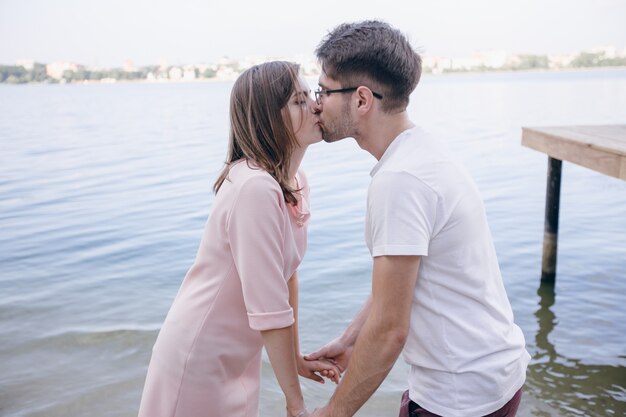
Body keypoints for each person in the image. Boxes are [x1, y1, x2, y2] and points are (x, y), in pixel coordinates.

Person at [305, 21, 531, 417]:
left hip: (461, 395)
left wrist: (333, 412)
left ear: (361, 100)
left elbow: (391, 330)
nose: (316, 103)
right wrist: (351, 339)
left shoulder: (399, 181)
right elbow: (404, 279)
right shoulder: (419, 151)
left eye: (324, 90)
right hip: (492, 373)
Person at [138, 61, 339, 417]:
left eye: (310, 95)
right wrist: (296, 405)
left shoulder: (294, 180)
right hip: (200, 359)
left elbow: (286, 275)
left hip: (238, 359)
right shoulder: (255, 188)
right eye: (298, 100)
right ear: (267, 119)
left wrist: (294, 359)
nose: (315, 106)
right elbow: (270, 309)